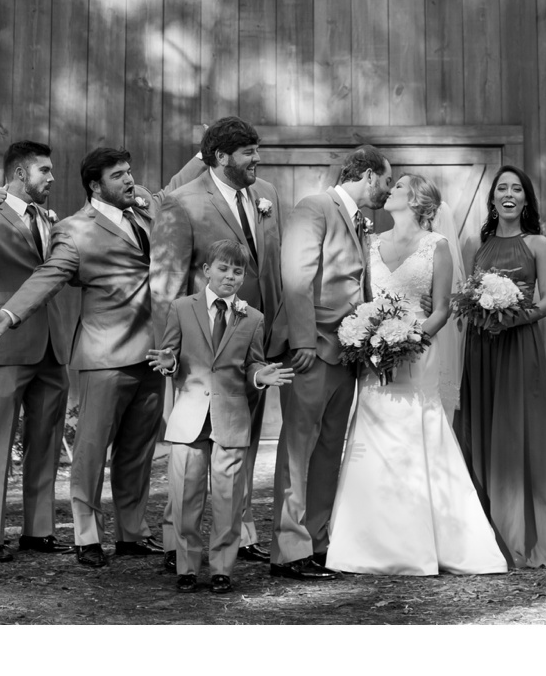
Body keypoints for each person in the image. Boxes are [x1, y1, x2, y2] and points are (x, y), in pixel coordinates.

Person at [0, 147, 169, 568]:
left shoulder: (146, 215)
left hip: (153, 352)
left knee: (137, 451)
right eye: (119, 176)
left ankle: (132, 533)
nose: (130, 180)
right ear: (96, 186)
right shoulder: (73, 230)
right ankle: (87, 536)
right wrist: (8, 313)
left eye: (130, 172)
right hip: (105, 354)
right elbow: (49, 275)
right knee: (92, 451)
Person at [326, 174, 508, 577]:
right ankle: (366, 542)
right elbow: (362, 299)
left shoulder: (436, 247)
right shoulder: (370, 243)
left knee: (417, 430)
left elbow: (442, 308)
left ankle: (430, 542)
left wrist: (405, 340)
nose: (389, 189)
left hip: (417, 351)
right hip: (375, 357)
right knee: (373, 434)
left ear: (417, 200)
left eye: (398, 187)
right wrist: (374, 343)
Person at [151, 116, 285, 565]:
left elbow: (271, 270)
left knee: (239, 442)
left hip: (252, 341)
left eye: (256, 150)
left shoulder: (266, 196)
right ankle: (177, 544)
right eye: (248, 152)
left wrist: (276, 330)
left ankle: (239, 535)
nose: (256, 159)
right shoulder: (182, 202)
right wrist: (169, 350)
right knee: (190, 453)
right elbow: (165, 284)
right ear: (221, 157)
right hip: (200, 347)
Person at [271, 144, 392, 580]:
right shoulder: (314, 207)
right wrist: (302, 340)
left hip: (347, 352)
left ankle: (318, 542)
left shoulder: (360, 221)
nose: (388, 190)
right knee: (299, 451)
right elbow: (297, 276)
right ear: (367, 175)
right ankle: (289, 550)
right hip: (313, 348)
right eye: (387, 180)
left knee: (328, 451)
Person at [151, 241, 296, 593]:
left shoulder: (254, 318)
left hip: (230, 418)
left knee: (228, 499)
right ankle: (186, 567)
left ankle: (222, 568)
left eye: (238, 271)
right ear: (206, 271)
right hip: (189, 419)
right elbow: (170, 350)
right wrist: (168, 363)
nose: (231, 276)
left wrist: (261, 377)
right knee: (186, 495)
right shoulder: (182, 308)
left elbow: (253, 363)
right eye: (224, 269)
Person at [0, 140, 75, 561]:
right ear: (21, 174)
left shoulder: (48, 217)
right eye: (45, 170)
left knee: (45, 441)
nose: (52, 177)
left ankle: (38, 530)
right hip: (4, 343)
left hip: (52, 343)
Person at [455, 165, 546, 568]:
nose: (508, 194)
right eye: (501, 188)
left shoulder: (537, 243)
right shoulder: (476, 244)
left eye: (516, 189)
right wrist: (481, 312)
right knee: (482, 425)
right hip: (481, 344)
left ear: (525, 199)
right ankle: (482, 529)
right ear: (492, 199)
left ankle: (524, 530)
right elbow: (466, 294)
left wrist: (510, 317)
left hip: (518, 342)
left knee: (517, 427)